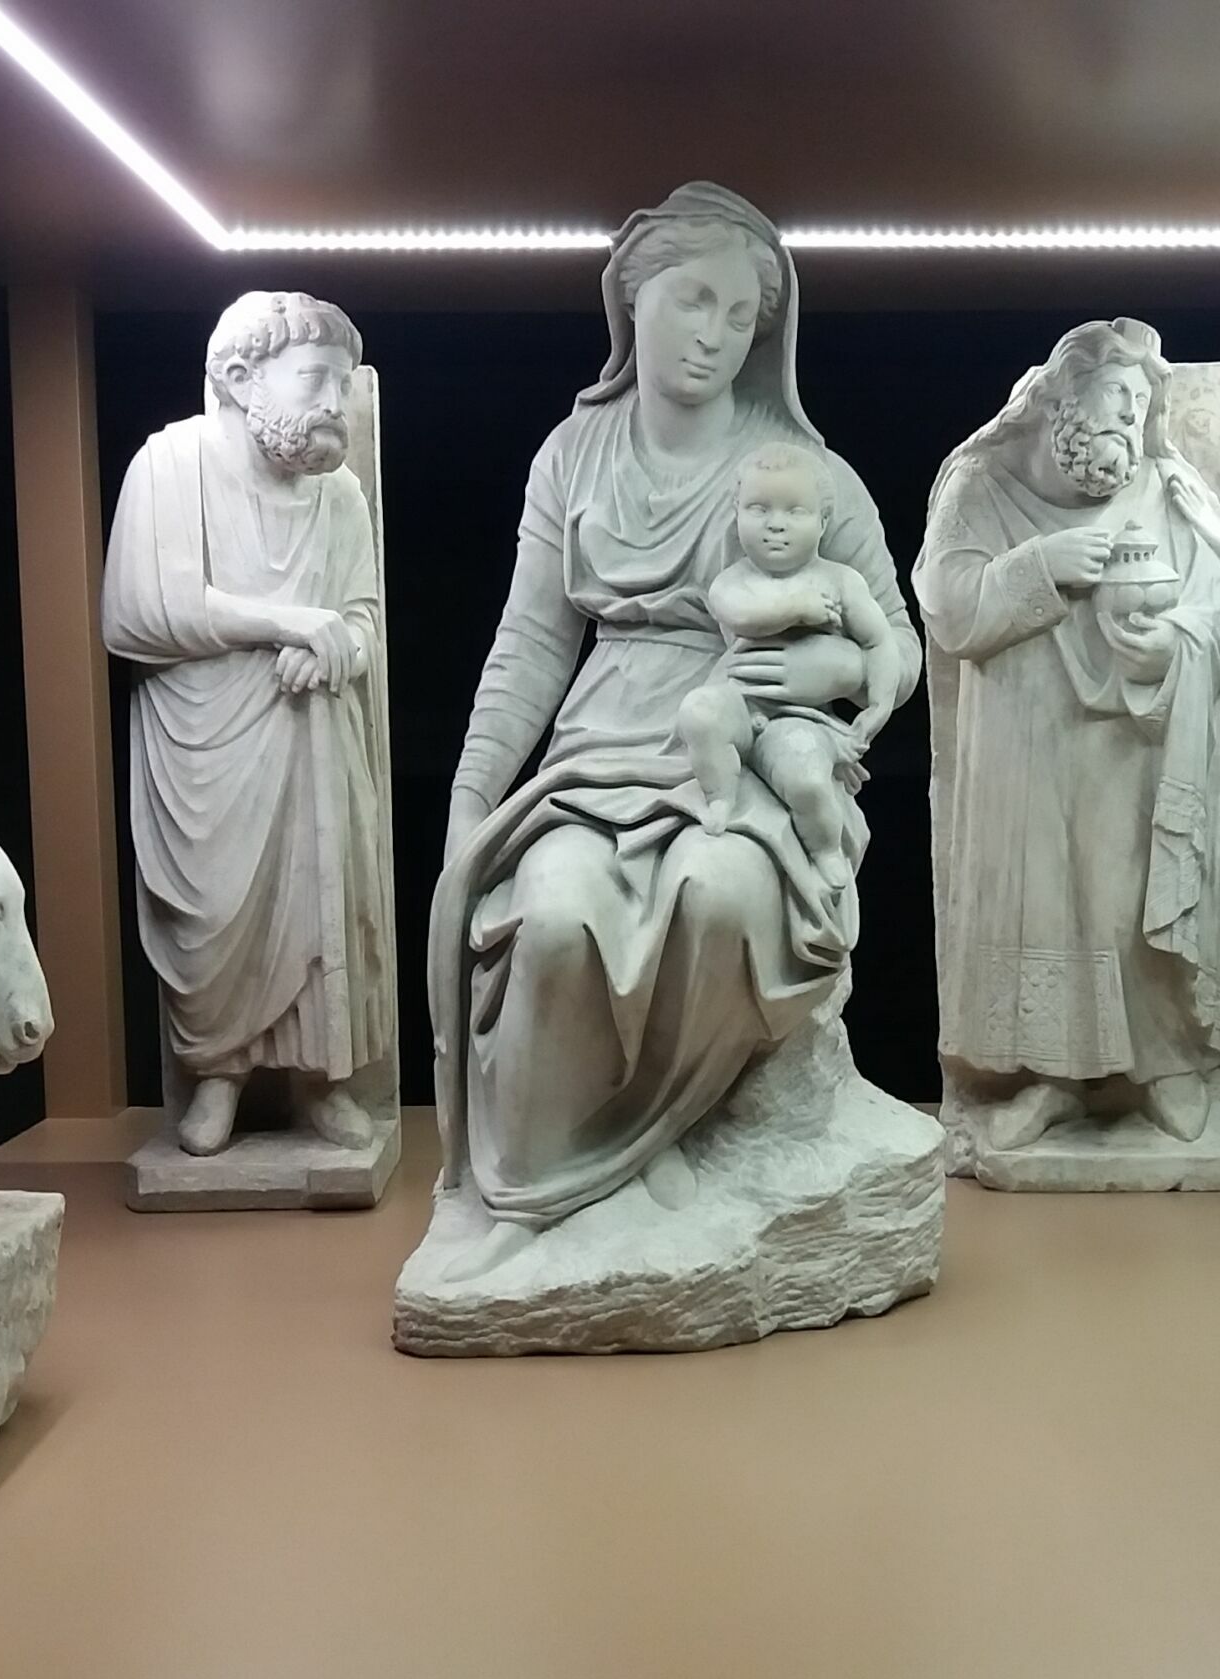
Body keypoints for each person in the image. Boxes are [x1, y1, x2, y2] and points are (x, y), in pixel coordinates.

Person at [431, 183, 921, 1283]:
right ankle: (547, 1182)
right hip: (597, 751)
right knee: (554, 915)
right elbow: (529, 643)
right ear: (631, 301)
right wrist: (469, 799)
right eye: (693, 300)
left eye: (741, 316)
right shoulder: (573, 454)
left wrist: (835, 669)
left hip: (746, 745)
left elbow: (896, 634)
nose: (716, 334)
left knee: (719, 891)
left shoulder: (802, 473)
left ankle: (658, 1128)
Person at [916, 319, 1220, 1151]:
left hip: (1136, 740)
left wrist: (1175, 640)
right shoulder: (982, 483)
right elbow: (950, 610)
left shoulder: (1168, 485)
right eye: (1116, 398)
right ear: (1061, 399)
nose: (1129, 421)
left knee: (1129, 892)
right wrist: (1043, 565)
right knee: (1044, 904)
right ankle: (1053, 1079)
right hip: (1025, 743)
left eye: (1141, 407)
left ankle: (1165, 1063)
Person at [101, 291, 393, 1157]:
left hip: (314, 740)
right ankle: (216, 1075)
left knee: (322, 900)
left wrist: (333, 651)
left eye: (343, 384)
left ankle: (323, 1084)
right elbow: (139, 611)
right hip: (206, 740)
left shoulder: (341, 497)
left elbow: (363, 620)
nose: (335, 403)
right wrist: (290, 624)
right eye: (315, 379)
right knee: (213, 914)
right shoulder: (169, 467)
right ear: (239, 377)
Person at [676, 441, 904, 890]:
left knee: (807, 783)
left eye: (794, 511)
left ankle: (824, 848)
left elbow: (880, 641)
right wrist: (797, 608)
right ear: (736, 514)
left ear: (823, 522)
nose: (775, 524)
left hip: (797, 717)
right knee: (698, 713)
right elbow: (742, 616)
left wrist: (877, 706)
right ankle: (720, 794)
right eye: (758, 509)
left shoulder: (841, 581)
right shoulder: (732, 581)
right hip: (738, 705)